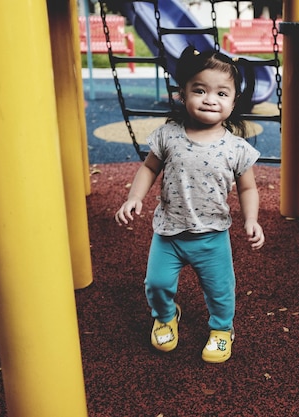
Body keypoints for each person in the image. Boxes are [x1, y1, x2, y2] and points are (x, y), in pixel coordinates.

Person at [115, 46, 265, 363]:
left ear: (234, 101)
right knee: (156, 283)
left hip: (212, 237)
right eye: (200, 90)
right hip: (168, 233)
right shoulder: (168, 135)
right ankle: (166, 315)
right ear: (183, 94)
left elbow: (248, 187)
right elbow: (149, 168)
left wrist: (251, 219)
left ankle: (222, 329)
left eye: (222, 93)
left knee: (221, 290)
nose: (210, 99)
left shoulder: (237, 148)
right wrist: (134, 198)